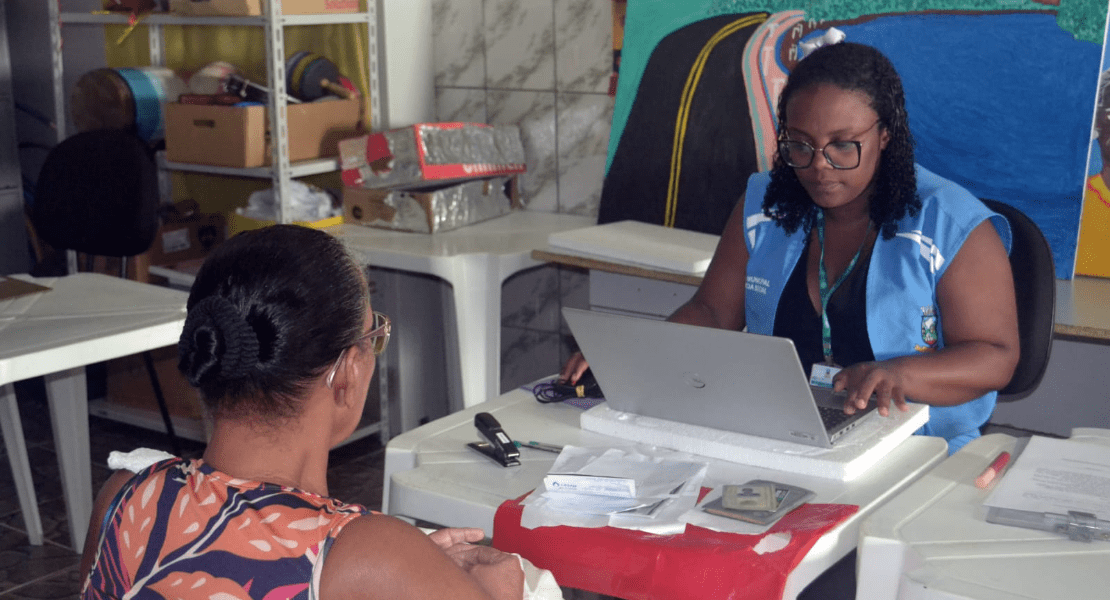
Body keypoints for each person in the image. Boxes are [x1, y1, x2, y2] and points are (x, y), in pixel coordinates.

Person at [562, 42, 1019, 454]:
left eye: (843, 145)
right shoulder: (765, 203)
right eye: (800, 145)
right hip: (785, 436)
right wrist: (640, 355)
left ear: (885, 134)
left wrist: (902, 374)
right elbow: (714, 313)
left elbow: (996, 355)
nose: (819, 166)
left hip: (919, 450)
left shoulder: (950, 222)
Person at [79, 225, 532, 600]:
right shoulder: (370, 551)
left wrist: (403, 569)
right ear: (347, 373)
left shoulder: (123, 498)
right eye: (374, 335)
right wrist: (501, 591)